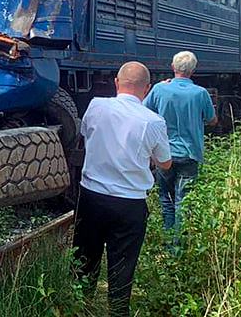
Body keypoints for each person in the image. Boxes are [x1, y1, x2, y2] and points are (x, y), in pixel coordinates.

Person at [74, 61, 172, 316]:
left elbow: (86, 134)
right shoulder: (153, 121)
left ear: (116, 83)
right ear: (147, 89)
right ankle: (117, 311)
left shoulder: (96, 106)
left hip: (91, 198)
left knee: (84, 261)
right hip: (129, 204)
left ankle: (79, 307)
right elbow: (166, 162)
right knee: (122, 267)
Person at [143, 51, 217, 234]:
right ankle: (180, 246)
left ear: (172, 68)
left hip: (164, 154)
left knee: (166, 199)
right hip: (190, 154)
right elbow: (212, 120)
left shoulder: (160, 89)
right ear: (193, 71)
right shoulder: (200, 93)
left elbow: (142, 111)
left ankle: (169, 243)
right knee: (183, 202)